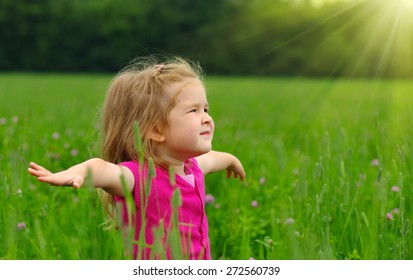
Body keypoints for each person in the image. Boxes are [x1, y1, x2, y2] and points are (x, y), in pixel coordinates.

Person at [28, 56, 245, 260]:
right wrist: (75, 173)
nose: (207, 118)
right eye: (193, 111)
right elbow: (103, 169)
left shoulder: (192, 167)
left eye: (206, 109)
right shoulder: (140, 177)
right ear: (157, 130)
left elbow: (215, 159)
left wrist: (232, 161)